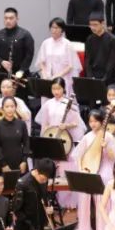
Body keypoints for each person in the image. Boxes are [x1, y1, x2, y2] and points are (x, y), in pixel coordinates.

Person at [72, 109, 115, 230]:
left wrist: (106, 147)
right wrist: (81, 169)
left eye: (95, 121)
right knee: (84, 194)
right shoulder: (87, 137)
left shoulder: (108, 136)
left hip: (105, 170)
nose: (93, 124)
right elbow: (78, 155)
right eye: (90, 121)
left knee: (103, 189)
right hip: (89, 170)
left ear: (101, 122)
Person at [34, 77, 83, 206]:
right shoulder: (48, 104)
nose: (56, 91)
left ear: (63, 89)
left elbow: (76, 123)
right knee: (51, 169)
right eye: (54, 89)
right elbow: (45, 124)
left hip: (65, 140)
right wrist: (45, 139)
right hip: (52, 138)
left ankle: (68, 202)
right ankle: (52, 200)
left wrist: (66, 126)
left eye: (59, 88)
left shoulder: (69, 103)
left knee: (65, 169)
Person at [11, 158, 55, 230]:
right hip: (26, 228)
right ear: (36, 171)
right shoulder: (22, 184)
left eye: (46, 179)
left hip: (40, 225)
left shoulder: (43, 180)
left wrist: (48, 207)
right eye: (43, 179)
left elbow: (44, 198)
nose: (45, 181)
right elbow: (17, 210)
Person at [34, 17, 82, 97]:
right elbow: (41, 62)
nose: (54, 30)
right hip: (48, 77)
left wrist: (57, 76)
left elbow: (70, 66)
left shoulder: (67, 44)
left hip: (63, 77)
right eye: (52, 27)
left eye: (56, 28)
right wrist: (44, 75)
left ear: (62, 30)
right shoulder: (46, 43)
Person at [0, 7, 34, 77]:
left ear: (17, 18)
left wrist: (22, 70)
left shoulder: (25, 34)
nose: (8, 21)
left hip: (21, 73)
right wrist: (1, 61)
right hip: (4, 71)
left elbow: (29, 55)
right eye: (6, 18)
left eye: (11, 18)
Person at [0, 97, 30, 172]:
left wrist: (24, 161)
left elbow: (26, 143)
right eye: (7, 107)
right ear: (2, 108)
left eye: (12, 106)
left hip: (20, 164)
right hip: (3, 165)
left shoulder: (21, 124)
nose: (10, 109)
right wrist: (4, 164)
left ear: (15, 107)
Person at [84, 12, 115, 85]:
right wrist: (90, 76)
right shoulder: (89, 39)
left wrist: (104, 79)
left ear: (102, 23)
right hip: (93, 75)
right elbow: (87, 60)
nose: (92, 27)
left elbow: (112, 61)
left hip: (108, 76)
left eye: (95, 25)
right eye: (91, 25)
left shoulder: (112, 39)